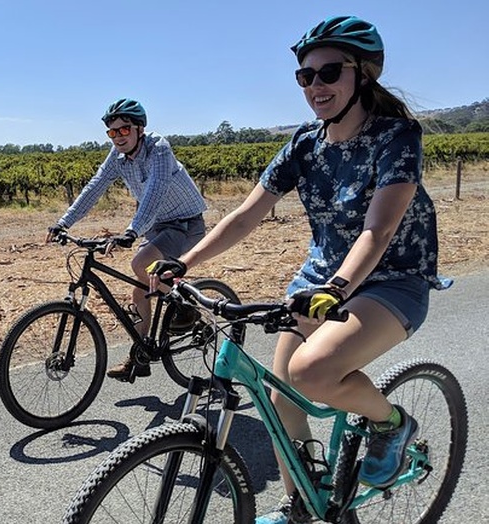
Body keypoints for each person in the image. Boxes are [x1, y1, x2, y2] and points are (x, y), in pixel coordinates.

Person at [147, 16, 450, 524]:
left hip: (392, 279)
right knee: (279, 390)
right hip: (322, 283)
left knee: (312, 372)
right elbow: (247, 214)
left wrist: (336, 286)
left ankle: (392, 425)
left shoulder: (396, 137)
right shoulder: (305, 145)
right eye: (305, 77)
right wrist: (185, 261)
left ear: (364, 75)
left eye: (329, 73)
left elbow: (378, 229)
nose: (316, 86)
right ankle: (304, 503)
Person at [46, 98, 208, 381]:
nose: (118, 136)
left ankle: (187, 310)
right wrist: (64, 222)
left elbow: (155, 191)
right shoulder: (117, 157)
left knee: (141, 264)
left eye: (124, 130)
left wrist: (132, 231)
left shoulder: (158, 148)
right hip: (157, 226)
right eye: (112, 132)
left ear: (139, 129)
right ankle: (140, 357)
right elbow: (94, 187)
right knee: (140, 291)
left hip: (186, 223)